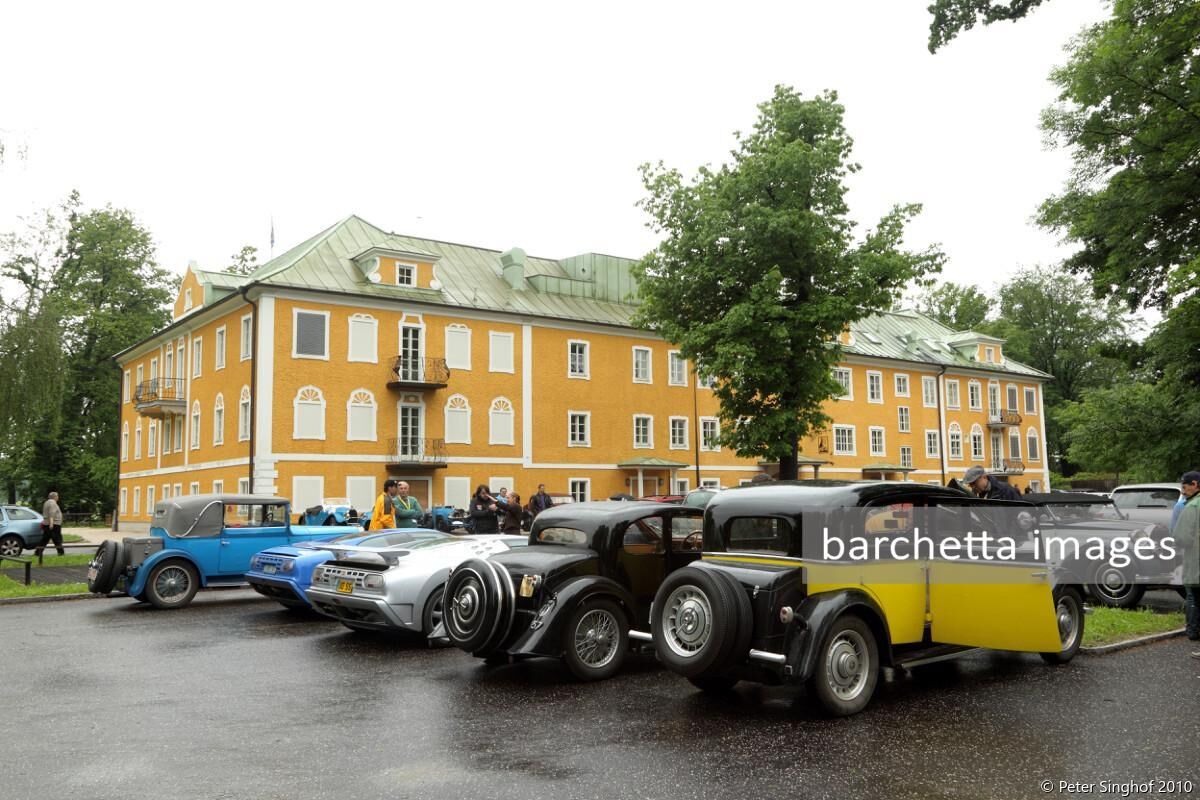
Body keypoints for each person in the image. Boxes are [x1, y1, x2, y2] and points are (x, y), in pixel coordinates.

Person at [1172, 471, 1200, 653]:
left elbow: (1181, 537)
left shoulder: (1192, 506)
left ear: (1195, 484)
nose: (1183, 489)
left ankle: (1192, 630)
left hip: (1196, 562)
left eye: (1185, 485)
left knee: (1194, 599)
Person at [37, 491, 64, 557]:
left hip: (47, 524)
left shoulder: (47, 502)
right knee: (57, 539)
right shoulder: (53, 503)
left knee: (45, 539)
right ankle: (61, 553)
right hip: (54, 524)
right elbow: (51, 513)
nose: (58, 497)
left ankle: (38, 552)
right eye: (57, 496)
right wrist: (51, 524)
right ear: (54, 497)